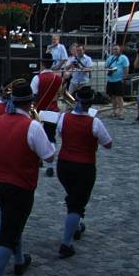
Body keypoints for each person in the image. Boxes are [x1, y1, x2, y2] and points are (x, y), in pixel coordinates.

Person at [0, 83, 55, 276]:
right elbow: (49, 156)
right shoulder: (32, 126)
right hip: (21, 183)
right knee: (10, 231)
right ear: (30, 103)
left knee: (12, 221)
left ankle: (20, 260)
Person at [56, 87, 113, 259]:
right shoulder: (94, 122)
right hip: (84, 166)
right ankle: (66, 244)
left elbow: (60, 134)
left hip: (64, 164)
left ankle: (78, 224)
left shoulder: (64, 118)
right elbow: (108, 143)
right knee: (76, 204)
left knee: (73, 197)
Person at [31, 53, 63, 177]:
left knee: (38, 137)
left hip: (39, 111)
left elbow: (33, 96)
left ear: (42, 64)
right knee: (51, 136)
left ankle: (39, 159)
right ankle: (50, 165)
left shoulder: (37, 78)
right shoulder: (58, 79)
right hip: (53, 111)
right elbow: (60, 94)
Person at [105, 44, 130, 120]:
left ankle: (121, 111)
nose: (115, 50)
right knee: (112, 96)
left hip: (119, 80)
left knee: (119, 97)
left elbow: (126, 68)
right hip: (110, 80)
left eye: (116, 49)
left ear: (119, 50)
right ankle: (114, 111)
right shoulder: (110, 58)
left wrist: (124, 77)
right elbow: (106, 66)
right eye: (114, 49)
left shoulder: (123, 58)